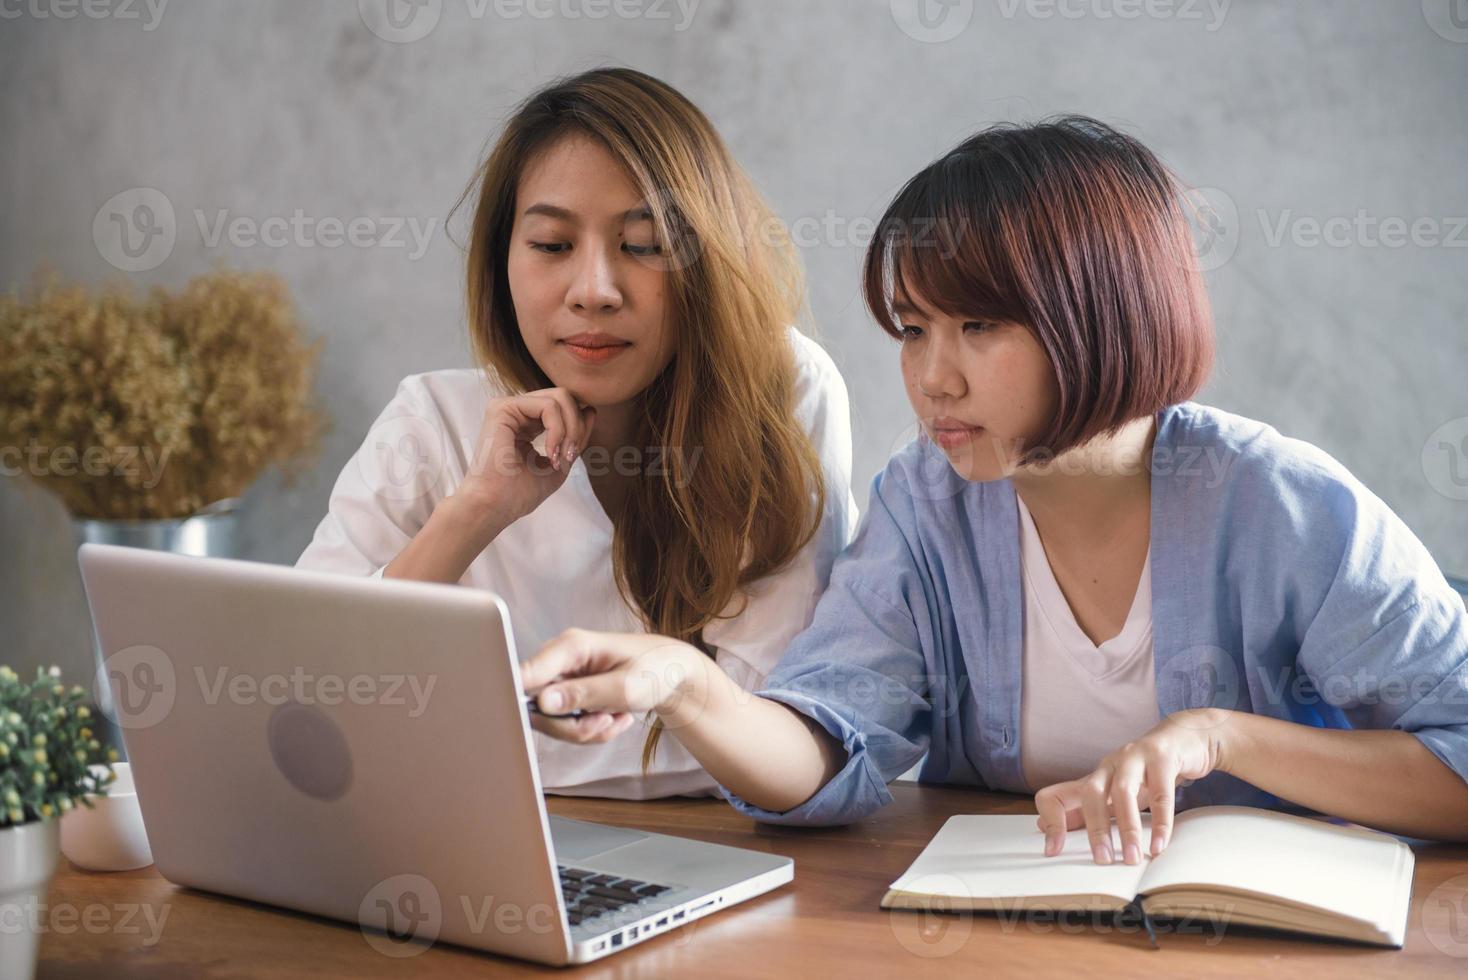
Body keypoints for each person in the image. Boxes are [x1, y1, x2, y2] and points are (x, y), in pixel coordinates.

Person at [519, 115, 1468, 865]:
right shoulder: (925, 507)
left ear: (1105, 315)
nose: (934, 378)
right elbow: (826, 750)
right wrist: (686, 685)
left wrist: (1219, 739)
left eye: (980, 325)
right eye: (912, 328)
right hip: (1014, 936)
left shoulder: (1283, 508)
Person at [296, 67, 858, 800]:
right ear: (502, 263)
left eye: (645, 245)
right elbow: (303, 696)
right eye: (553, 245)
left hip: (724, 836)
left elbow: (791, 721)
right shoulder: (434, 419)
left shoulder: (781, 391)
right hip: (479, 827)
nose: (594, 289)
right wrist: (475, 511)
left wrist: (670, 683)